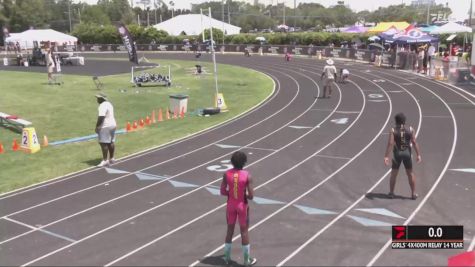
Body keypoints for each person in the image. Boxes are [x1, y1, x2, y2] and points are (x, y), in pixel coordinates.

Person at [220, 151, 256, 266]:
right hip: (242, 206)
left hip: (230, 205)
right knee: (244, 232)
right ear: (244, 163)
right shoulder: (247, 175)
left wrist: (232, 194)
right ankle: (246, 261)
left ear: (231, 162)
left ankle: (226, 258)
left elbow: (222, 191)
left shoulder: (226, 174)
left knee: (229, 230)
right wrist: (242, 195)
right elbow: (251, 196)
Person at [384, 113, 422, 200]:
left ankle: (391, 193)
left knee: (394, 174)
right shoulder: (411, 129)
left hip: (397, 154)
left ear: (395, 121)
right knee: (410, 174)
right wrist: (418, 154)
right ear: (404, 121)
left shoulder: (393, 130)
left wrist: (386, 156)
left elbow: (390, 143)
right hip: (407, 154)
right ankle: (413, 193)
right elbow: (414, 142)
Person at [95, 93, 117, 167]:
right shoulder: (109, 104)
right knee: (111, 142)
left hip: (105, 126)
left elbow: (101, 116)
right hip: (113, 124)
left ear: (102, 99)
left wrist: (97, 126)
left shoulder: (102, 105)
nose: (97, 99)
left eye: (98, 98)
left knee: (103, 143)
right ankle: (112, 158)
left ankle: (105, 160)